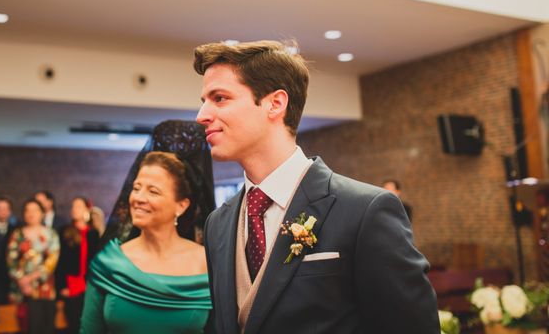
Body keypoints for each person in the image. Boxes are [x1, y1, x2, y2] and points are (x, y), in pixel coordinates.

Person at [194, 40, 440, 334]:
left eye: (219, 98)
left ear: (275, 103)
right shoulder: (217, 224)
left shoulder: (365, 211)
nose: (202, 116)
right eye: (204, 101)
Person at [81, 120, 216, 334]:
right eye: (136, 188)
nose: (138, 198)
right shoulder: (109, 262)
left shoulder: (209, 265)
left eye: (153, 191)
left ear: (181, 205)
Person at [7, 199, 60, 334]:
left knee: (46, 327)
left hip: (45, 288)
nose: (31, 214)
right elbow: (11, 260)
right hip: (21, 289)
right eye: (27, 210)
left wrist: (31, 278)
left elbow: (52, 261)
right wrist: (22, 281)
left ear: (42, 213)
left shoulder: (51, 234)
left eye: (35, 210)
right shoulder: (17, 234)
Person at [55, 197, 99, 334]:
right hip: (71, 283)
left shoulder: (93, 233)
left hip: (88, 284)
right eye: (73, 207)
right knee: (73, 323)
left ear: (87, 210)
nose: (74, 210)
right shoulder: (65, 231)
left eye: (78, 206)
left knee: (89, 322)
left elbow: (95, 261)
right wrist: (62, 285)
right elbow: (60, 261)